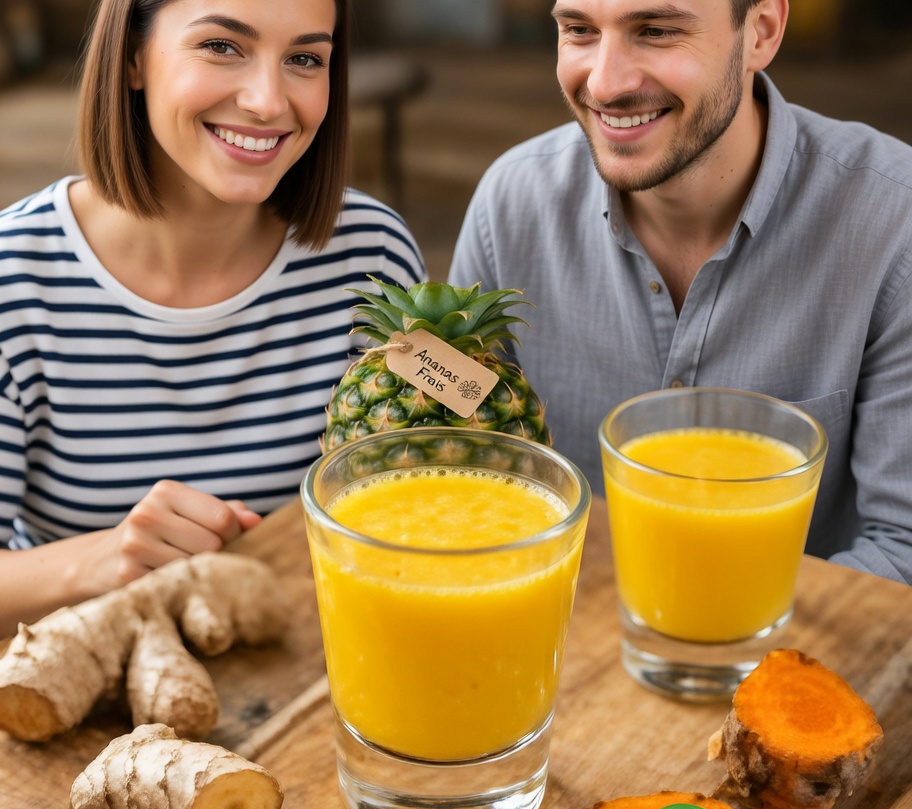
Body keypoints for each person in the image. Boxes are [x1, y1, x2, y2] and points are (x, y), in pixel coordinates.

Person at [0, 0, 425, 637]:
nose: (267, 102)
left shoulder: (373, 255)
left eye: (305, 58)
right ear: (133, 56)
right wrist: (95, 563)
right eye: (222, 47)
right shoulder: (12, 279)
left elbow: (419, 496)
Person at [449, 0, 912, 584]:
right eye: (579, 30)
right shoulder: (509, 205)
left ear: (761, 32)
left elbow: (903, 552)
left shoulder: (895, 223)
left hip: (796, 642)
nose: (605, 84)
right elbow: (455, 474)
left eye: (657, 31)